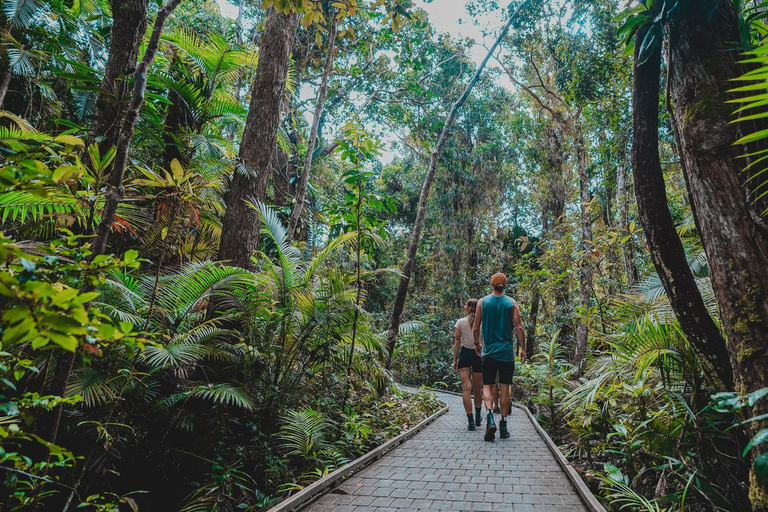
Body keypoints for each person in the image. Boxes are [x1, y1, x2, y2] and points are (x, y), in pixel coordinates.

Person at [472, 272, 527, 442]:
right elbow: (519, 327)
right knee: (505, 387)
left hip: (489, 353)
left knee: (487, 386)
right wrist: (523, 349)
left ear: (491, 285)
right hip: (506, 353)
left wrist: (477, 344)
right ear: (505, 285)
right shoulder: (511, 303)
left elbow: (475, 328)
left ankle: (489, 417)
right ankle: (503, 425)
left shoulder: (482, 302)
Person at [453, 299, 483, 431]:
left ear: (467, 308)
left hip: (465, 355)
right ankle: (477, 416)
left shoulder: (460, 322)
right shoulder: (482, 322)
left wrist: (454, 360)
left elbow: (457, 342)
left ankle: (470, 421)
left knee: (466, 389)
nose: (464, 306)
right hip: (478, 354)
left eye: (465, 304)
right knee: (477, 389)